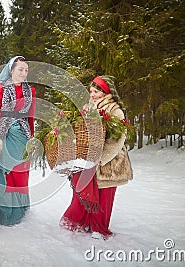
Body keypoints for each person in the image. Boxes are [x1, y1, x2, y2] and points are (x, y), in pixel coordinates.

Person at [60, 75, 133, 240]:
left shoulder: (115, 110)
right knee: (84, 193)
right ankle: (80, 223)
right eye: (91, 91)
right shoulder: (88, 107)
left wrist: (101, 158)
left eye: (96, 91)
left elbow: (118, 138)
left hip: (109, 162)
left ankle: (99, 229)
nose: (92, 94)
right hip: (88, 160)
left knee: (104, 196)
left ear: (105, 91)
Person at [0, 55, 36, 226]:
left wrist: (32, 139)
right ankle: (7, 215)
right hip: (1, 133)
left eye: (26, 70)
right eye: (20, 69)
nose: (24, 73)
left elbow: (30, 116)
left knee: (19, 175)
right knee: (2, 175)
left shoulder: (30, 90)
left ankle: (21, 210)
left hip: (22, 136)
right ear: (11, 70)